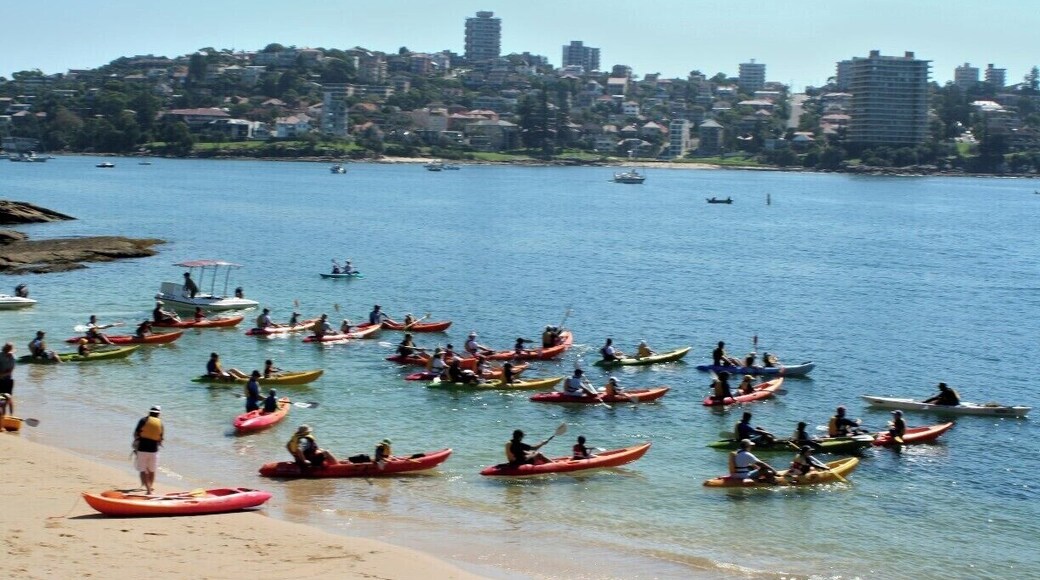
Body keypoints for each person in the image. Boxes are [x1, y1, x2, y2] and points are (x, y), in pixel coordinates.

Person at [133, 405, 164, 494]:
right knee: (152, 470)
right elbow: (160, 440)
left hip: (142, 449)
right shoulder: (160, 423)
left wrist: (136, 445)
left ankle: (148, 490)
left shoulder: (143, 420)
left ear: (149, 412)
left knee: (143, 470)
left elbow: (136, 434)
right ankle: (150, 487)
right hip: (154, 450)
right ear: (159, 414)